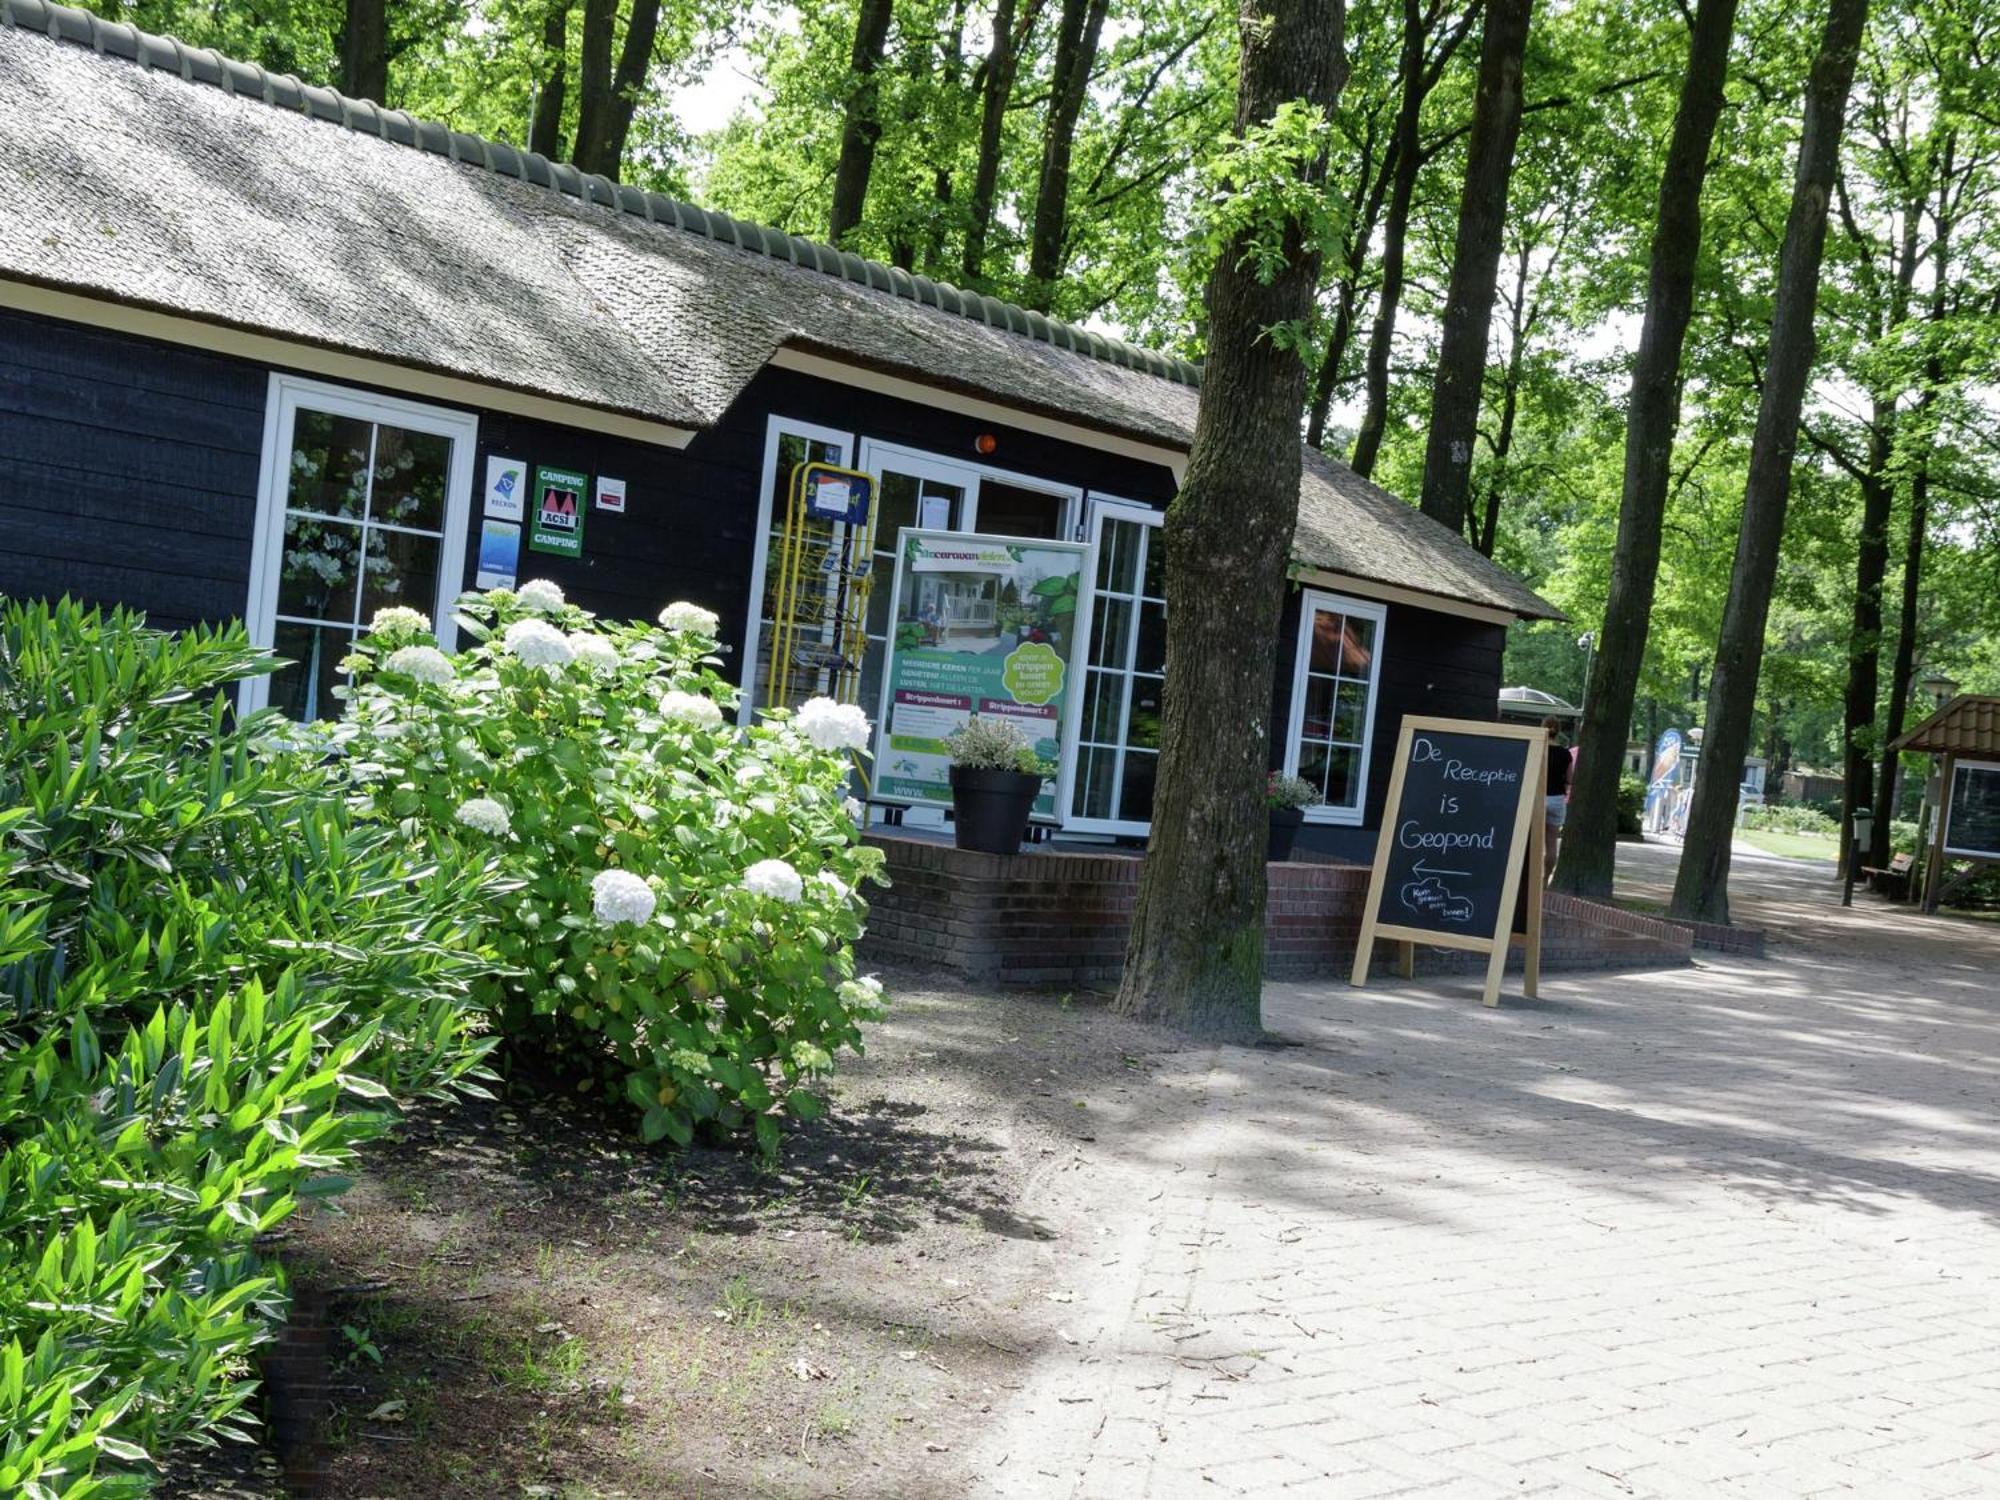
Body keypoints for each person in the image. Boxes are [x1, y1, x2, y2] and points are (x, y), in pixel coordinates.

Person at [1543, 716, 1573, 882]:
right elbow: (1569, 779)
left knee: (1531, 840)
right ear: (1558, 731)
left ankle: (1527, 878)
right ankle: (1545, 878)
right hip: (1557, 799)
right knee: (1552, 843)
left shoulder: (1538, 749)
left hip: (1538, 798)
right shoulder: (1565, 753)